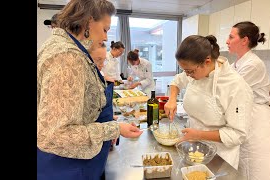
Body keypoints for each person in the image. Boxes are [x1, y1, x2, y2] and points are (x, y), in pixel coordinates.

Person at [37, 0, 143, 180]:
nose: (106, 38)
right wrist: (113, 129)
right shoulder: (67, 56)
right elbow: (56, 135)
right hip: (70, 167)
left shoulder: (63, 47)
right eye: (105, 29)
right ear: (88, 21)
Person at [164, 35, 253, 169]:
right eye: (185, 71)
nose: (187, 75)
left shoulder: (235, 86)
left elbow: (238, 134)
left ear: (207, 61)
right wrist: (172, 99)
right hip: (192, 144)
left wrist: (199, 134)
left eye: (190, 71)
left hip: (219, 156)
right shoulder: (196, 72)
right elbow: (177, 80)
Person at [226, 21, 270, 180]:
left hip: (257, 122)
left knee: (257, 169)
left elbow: (230, 92)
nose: (227, 41)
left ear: (244, 40)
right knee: (243, 168)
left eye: (231, 37)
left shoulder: (253, 64)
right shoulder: (237, 63)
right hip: (244, 119)